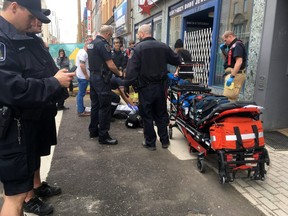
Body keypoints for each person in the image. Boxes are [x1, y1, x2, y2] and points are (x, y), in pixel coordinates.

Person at [0, 1, 75, 216]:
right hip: (12, 125)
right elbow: (11, 89)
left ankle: (34, 189)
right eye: (31, 16)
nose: (35, 21)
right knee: (14, 198)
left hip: (24, 121)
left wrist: (56, 84)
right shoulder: (4, 39)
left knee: (19, 190)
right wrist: (53, 83)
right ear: (14, 7)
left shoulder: (18, 36)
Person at [23, 10, 63, 216]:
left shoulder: (36, 42)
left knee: (38, 150)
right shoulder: (13, 42)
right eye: (35, 18)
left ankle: (37, 185)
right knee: (27, 154)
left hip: (43, 106)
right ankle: (28, 197)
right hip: (27, 111)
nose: (39, 22)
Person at [125, 24, 181, 151]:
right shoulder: (163, 46)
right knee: (161, 114)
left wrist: (127, 86)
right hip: (161, 88)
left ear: (142, 34)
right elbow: (178, 60)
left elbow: (131, 70)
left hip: (145, 88)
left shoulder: (138, 49)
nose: (138, 36)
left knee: (147, 115)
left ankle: (150, 143)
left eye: (139, 34)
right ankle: (165, 141)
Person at [87, 25, 123, 145]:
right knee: (104, 107)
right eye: (111, 35)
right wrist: (119, 73)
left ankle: (93, 130)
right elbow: (111, 64)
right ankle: (103, 135)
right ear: (107, 33)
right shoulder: (103, 44)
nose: (111, 37)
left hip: (93, 77)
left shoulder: (91, 44)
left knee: (95, 105)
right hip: (102, 79)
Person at [220, 31, 247, 101]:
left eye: (225, 40)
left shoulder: (237, 45)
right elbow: (227, 61)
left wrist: (232, 76)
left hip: (235, 74)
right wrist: (223, 50)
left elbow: (239, 61)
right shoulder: (232, 46)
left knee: (229, 98)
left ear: (230, 36)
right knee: (228, 97)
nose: (225, 42)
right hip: (232, 73)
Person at [75, 42, 91, 117]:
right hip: (83, 77)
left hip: (81, 76)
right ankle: (81, 111)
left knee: (80, 93)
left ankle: (80, 109)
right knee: (81, 94)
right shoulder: (83, 53)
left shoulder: (81, 51)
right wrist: (86, 75)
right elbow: (82, 65)